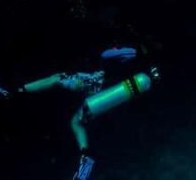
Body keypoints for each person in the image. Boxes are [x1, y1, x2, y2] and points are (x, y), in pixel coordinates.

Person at [19, 47, 158, 180]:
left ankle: (19, 90)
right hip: (101, 97)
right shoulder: (140, 72)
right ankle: (85, 156)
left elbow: (106, 56)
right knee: (75, 122)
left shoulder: (130, 54)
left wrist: (114, 53)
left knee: (57, 79)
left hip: (95, 84)